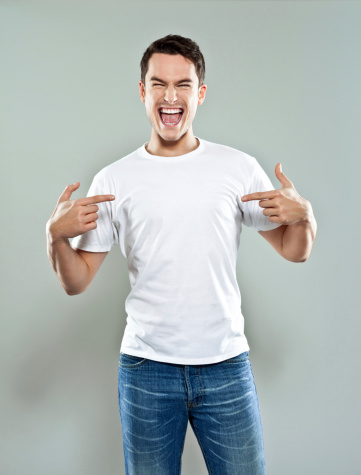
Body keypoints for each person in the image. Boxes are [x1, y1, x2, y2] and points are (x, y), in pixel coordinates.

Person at [46, 34, 317, 475]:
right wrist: (54, 237)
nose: (170, 97)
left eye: (183, 85)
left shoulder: (237, 168)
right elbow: (75, 282)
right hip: (146, 369)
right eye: (159, 84)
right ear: (142, 91)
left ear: (200, 93)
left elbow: (294, 249)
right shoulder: (115, 178)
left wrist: (305, 216)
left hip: (226, 365)